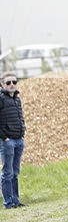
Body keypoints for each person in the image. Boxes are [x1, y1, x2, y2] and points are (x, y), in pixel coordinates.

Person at [0, 72, 26, 208]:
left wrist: (22, 133)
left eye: (14, 82)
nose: (12, 85)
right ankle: (8, 202)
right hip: (7, 142)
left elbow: (20, 117)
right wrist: (5, 138)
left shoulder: (17, 99)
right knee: (7, 172)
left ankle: (15, 200)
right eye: (8, 82)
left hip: (18, 140)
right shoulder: (1, 99)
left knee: (15, 172)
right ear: (2, 84)